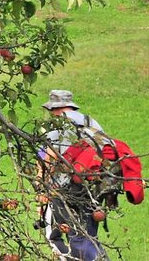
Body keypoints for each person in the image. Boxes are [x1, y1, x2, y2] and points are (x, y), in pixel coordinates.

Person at [38, 90, 107, 261]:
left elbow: (50, 161)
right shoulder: (91, 122)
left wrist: (41, 189)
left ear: (56, 109)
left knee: (67, 237)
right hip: (94, 187)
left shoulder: (59, 125)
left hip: (66, 190)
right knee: (89, 236)